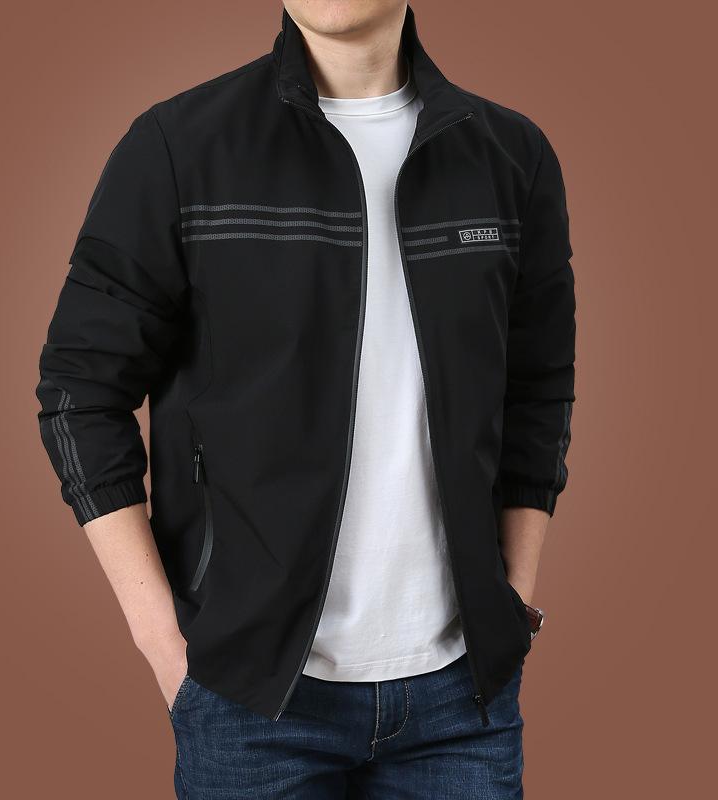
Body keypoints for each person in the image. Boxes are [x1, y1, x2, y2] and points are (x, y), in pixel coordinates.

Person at [35, 1, 575, 796]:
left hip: (464, 701)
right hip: (249, 698)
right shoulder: (181, 147)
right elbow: (79, 393)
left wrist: (513, 598)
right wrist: (163, 643)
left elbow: (538, 388)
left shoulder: (510, 156)